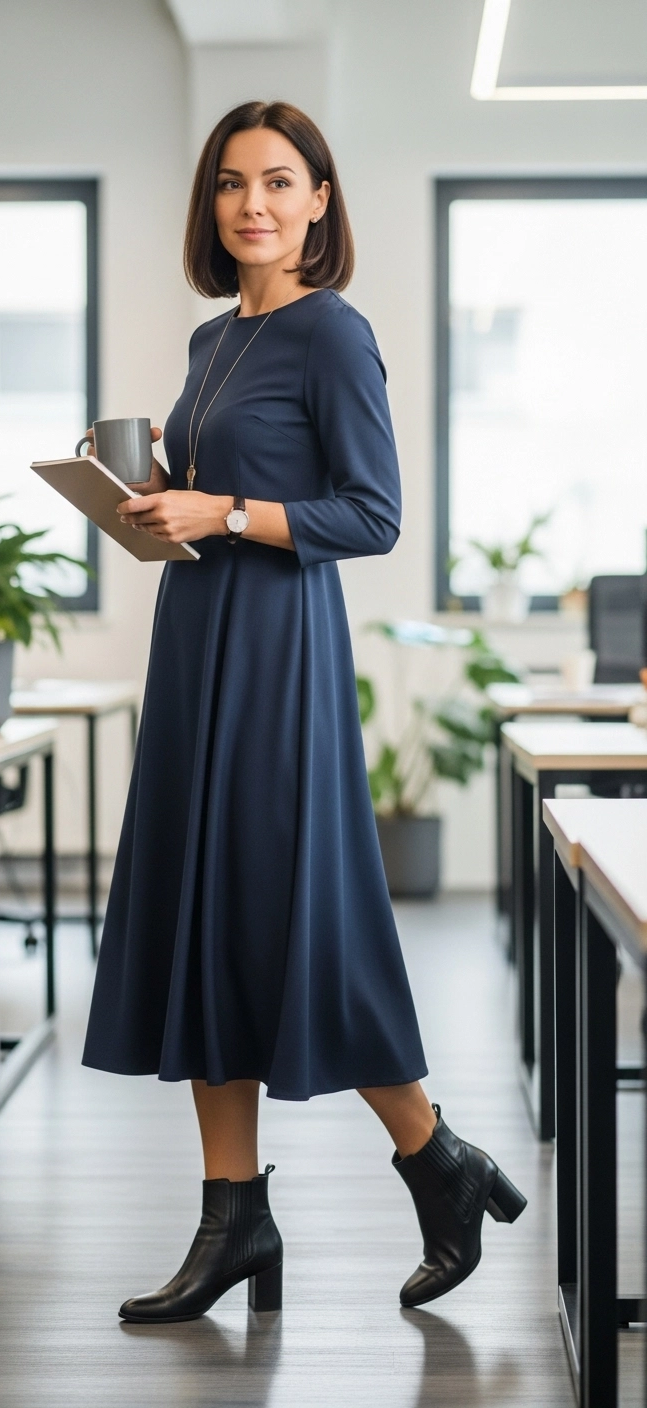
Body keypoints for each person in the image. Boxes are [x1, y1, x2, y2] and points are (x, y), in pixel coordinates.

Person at [82, 100, 526, 1323]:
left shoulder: (335, 331)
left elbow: (372, 514)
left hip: (280, 653)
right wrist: (148, 489)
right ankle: (234, 1215)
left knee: (292, 914)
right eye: (233, 183)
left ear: (320, 200)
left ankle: (434, 1155)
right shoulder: (211, 338)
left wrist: (223, 511)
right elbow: (213, 492)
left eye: (280, 182)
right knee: (205, 911)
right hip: (197, 642)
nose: (254, 205)